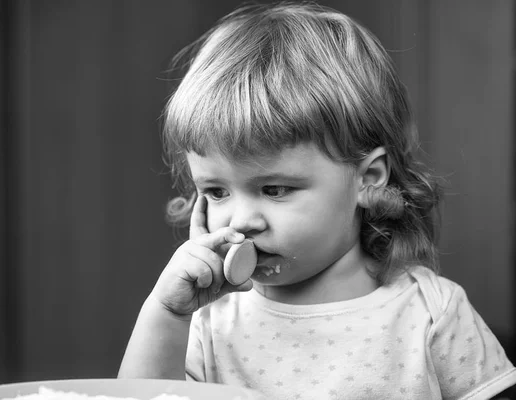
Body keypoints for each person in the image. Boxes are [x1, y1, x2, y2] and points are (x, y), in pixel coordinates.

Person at [118, 2, 516, 398]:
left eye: (274, 189)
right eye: (217, 192)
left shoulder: (431, 312)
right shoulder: (208, 322)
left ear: (368, 179)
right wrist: (168, 314)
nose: (239, 221)